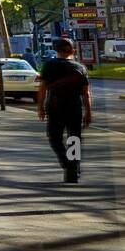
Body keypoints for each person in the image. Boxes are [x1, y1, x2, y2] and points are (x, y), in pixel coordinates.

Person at [36, 38, 92, 183]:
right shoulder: (80, 68)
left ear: (57, 51)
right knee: (74, 139)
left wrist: (40, 107)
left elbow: (43, 88)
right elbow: (86, 93)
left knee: (54, 138)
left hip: (55, 107)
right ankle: (73, 169)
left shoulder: (49, 65)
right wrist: (88, 112)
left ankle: (67, 164)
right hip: (74, 107)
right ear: (73, 51)